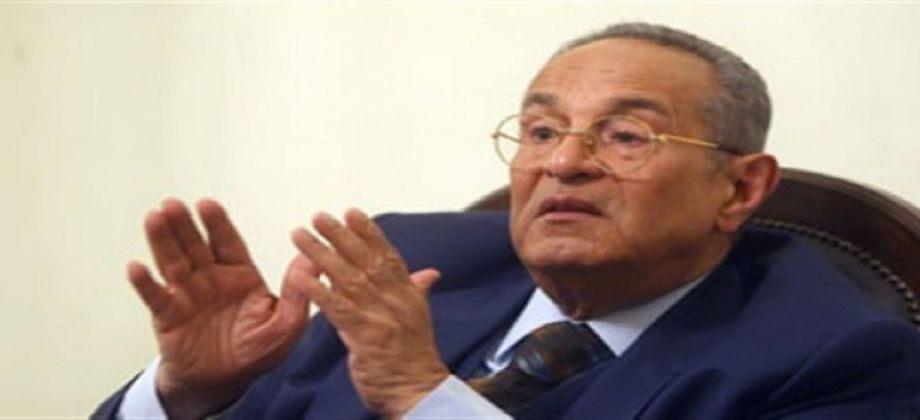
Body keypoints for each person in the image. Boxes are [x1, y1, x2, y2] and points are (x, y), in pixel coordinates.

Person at [94, 22, 920, 419]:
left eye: (626, 136)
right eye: (542, 130)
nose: (565, 163)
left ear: (740, 189)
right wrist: (190, 394)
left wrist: (425, 398)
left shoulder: (842, 357)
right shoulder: (407, 264)